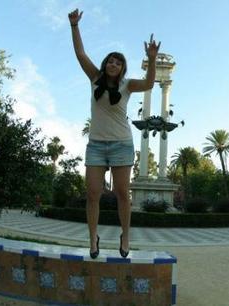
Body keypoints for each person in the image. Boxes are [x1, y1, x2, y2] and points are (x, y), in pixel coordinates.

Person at [68, 9, 160, 259]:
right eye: (111, 60)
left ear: (122, 68)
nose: (113, 64)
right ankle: (93, 239)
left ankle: (125, 236)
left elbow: (150, 84)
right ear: (105, 63)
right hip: (96, 145)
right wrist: (74, 26)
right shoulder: (94, 78)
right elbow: (80, 53)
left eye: (118, 63)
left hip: (121, 144)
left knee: (122, 192)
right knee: (93, 193)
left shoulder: (127, 85)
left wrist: (151, 59)